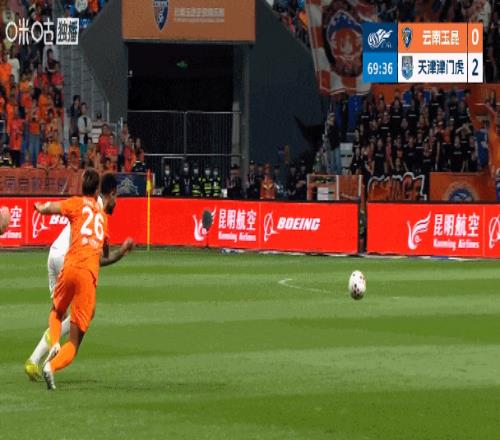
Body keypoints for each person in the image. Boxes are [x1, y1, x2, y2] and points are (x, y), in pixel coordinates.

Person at [25, 173, 134, 386]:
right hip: (72, 258)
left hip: (55, 255)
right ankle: (52, 357)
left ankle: (36, 358)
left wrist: (41, 208)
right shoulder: (98, 209)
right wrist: (121, 252)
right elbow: (98, 257)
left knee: (58, 312)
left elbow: (53, 208)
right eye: (117, 197)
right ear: (110, 194)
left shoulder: (81, 202)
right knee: (81, 317)